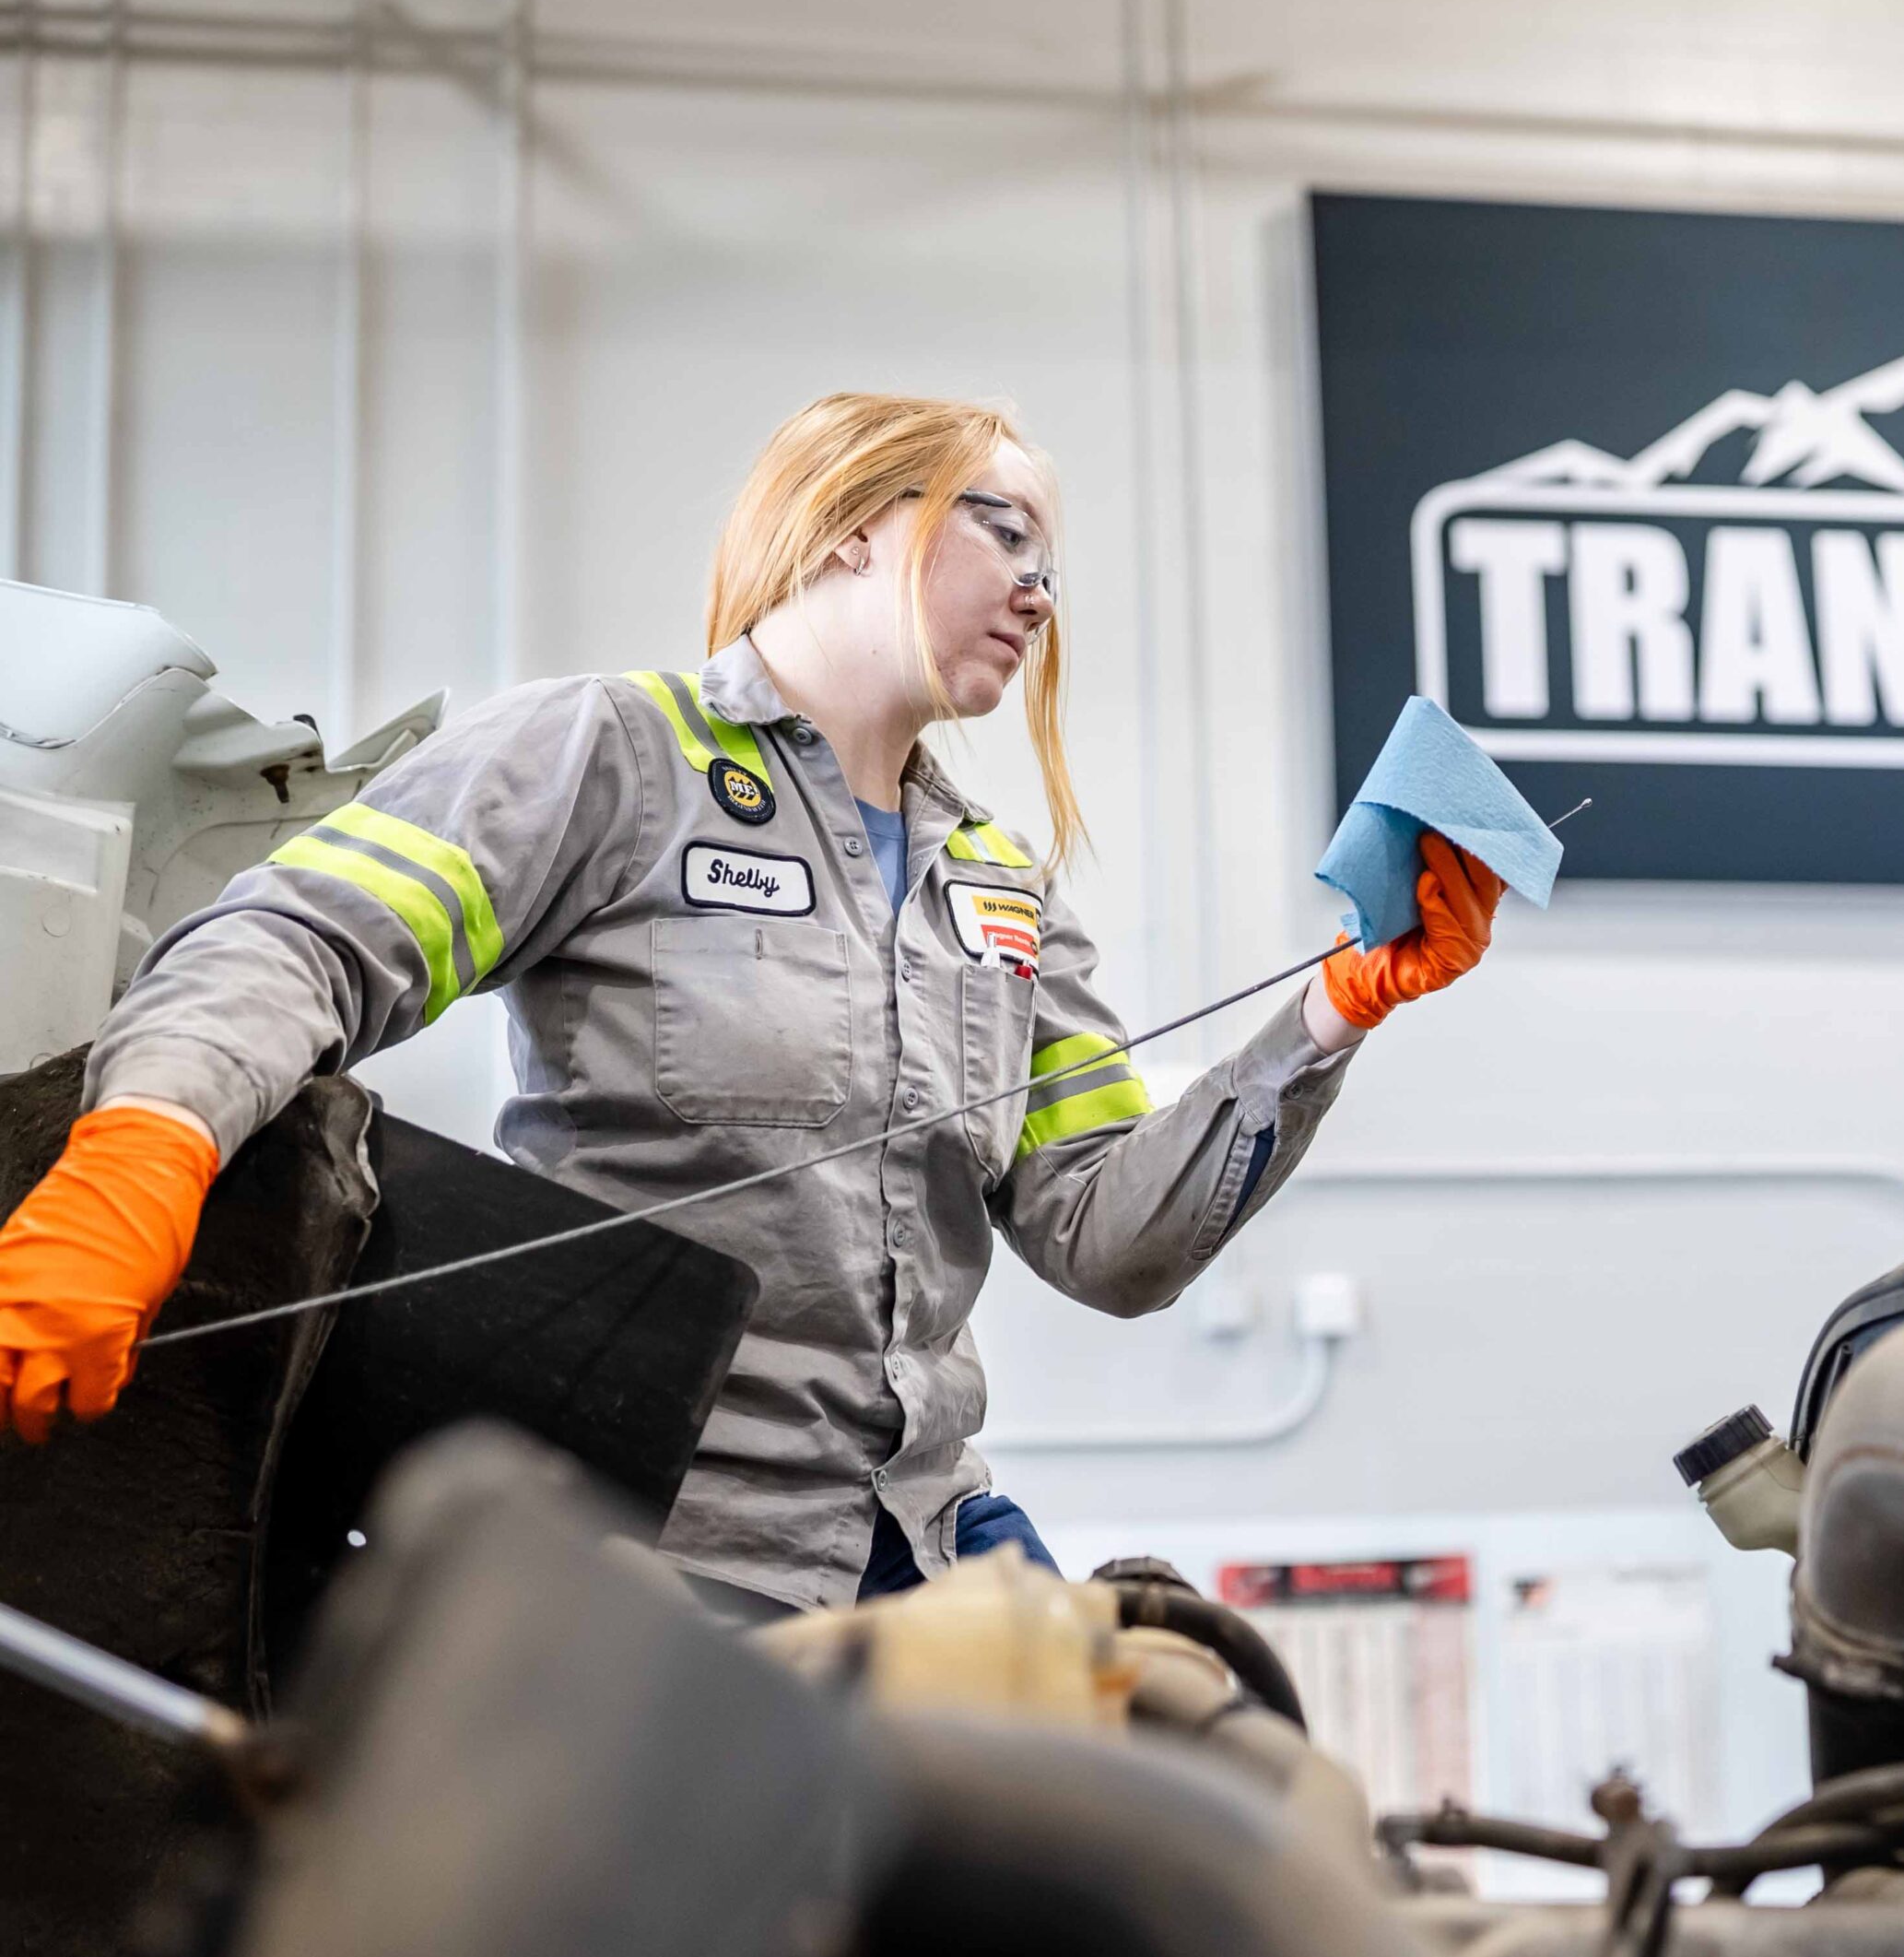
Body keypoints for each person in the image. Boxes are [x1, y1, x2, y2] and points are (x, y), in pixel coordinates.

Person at [0, 393, 1505, 1612]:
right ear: (856, 524)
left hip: (929, 1554)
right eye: (1005, 528)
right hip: (652, 1564)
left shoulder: (1001, 885)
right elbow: (296, 942)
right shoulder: (610, 757)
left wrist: (1333, 1011)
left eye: (1055, 554)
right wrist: (144, 1149)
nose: (1043, 586)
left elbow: (1110, 1241)